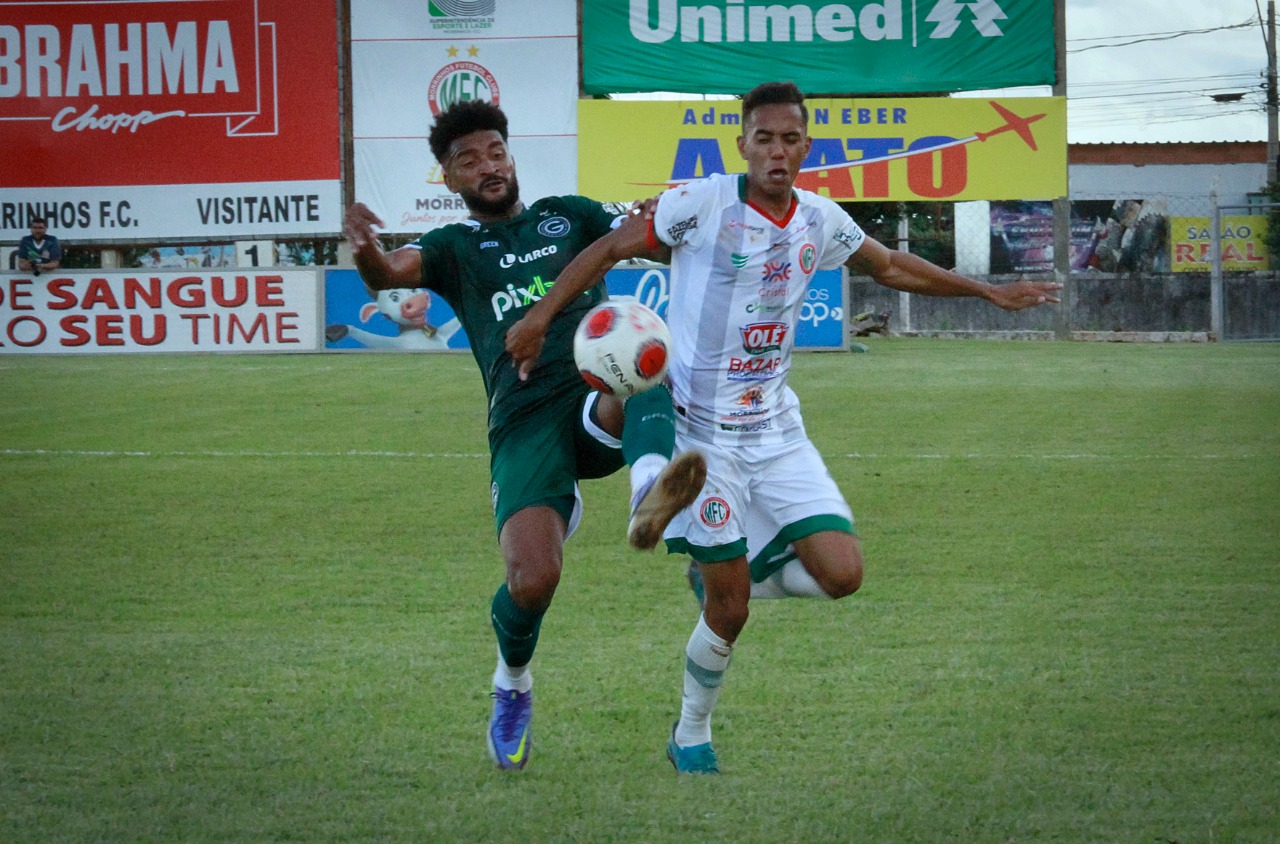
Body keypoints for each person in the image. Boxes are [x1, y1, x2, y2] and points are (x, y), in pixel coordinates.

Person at [504, 81, 1062, 775]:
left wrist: (986, 289)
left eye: (789, 139)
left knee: (843, 574)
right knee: (729, 613)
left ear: (806, 147)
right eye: (762, 138)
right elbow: (611, 249)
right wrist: (541, 316)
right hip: (701, 437)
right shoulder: (701, 203)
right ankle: (690, 733)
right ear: (741, 144)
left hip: (776, 430)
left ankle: (737, 564)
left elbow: (889, 265)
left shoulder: (822, 220)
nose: (776, 150)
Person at [341, 100, 707, 772]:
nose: (487, 166)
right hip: (522, 420)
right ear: (449, 181)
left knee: (645, 359)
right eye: (467, 161)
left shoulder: (571, 215)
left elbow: (642, 236)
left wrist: (663, 214)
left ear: (512, 158)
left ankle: (649, 488)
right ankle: (512, 684)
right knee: (533, 580)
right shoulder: (454, 248)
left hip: (595, 394)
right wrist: (364, 249)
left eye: (494, 152)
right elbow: (391, 276)